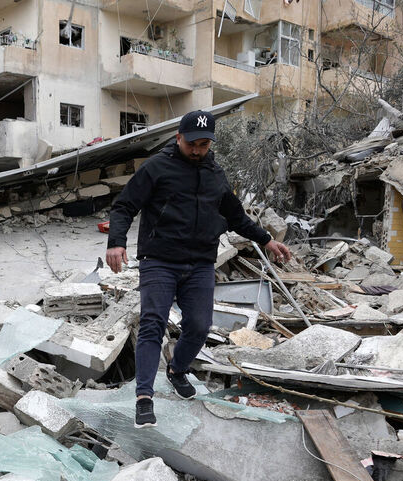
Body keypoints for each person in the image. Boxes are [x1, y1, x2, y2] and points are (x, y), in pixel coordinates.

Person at [105, 109, 291, 429]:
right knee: (153, 323)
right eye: (191, 143)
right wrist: (116, 242)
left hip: (200, 264)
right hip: (159, 260)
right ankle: (144, 397)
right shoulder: (156, 168)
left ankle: (177, 370)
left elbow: (237, 217)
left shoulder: (215, 175)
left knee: (200, 325)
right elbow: (125, 206)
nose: (196, 149)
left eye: (203, 144)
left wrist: (267, 240)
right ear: (179, 137)